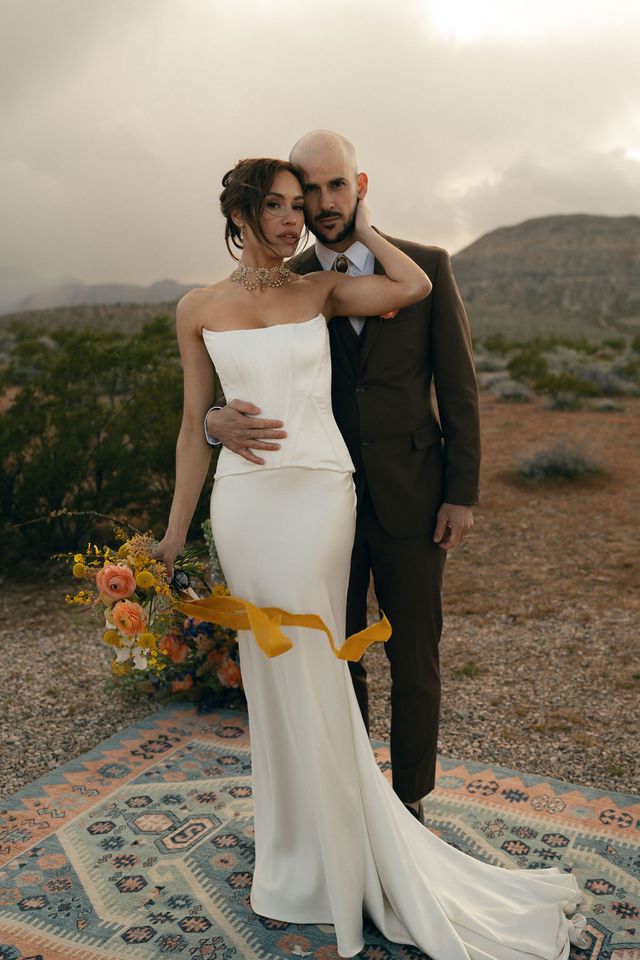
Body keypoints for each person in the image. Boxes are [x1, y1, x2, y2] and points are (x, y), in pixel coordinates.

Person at [157, 157, 584, 959]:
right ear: (242, 214)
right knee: (271, 671)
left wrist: (360, 225)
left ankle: (360, 838)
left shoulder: (317, 288)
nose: (296, 217)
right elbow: (190, 424)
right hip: (245, 507)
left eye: (305, 202)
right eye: (279, 206)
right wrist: (176, 530)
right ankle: (294, 851)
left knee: (318, 660)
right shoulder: (196, 307)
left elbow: (413, 289)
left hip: (321, 497)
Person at [204, 130, 480, 822]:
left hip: (414, 495)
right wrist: (215, 421)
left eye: (335, 186)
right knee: (333, 654)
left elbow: (460, 386)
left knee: (414, 655)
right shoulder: (287, 281)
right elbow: (242, 369)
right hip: (316, 502)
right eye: (308, 189)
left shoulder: (425, 265)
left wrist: (460, 491)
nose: (321, 203)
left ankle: (410, 799)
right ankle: (354, 798)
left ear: (359, 186)